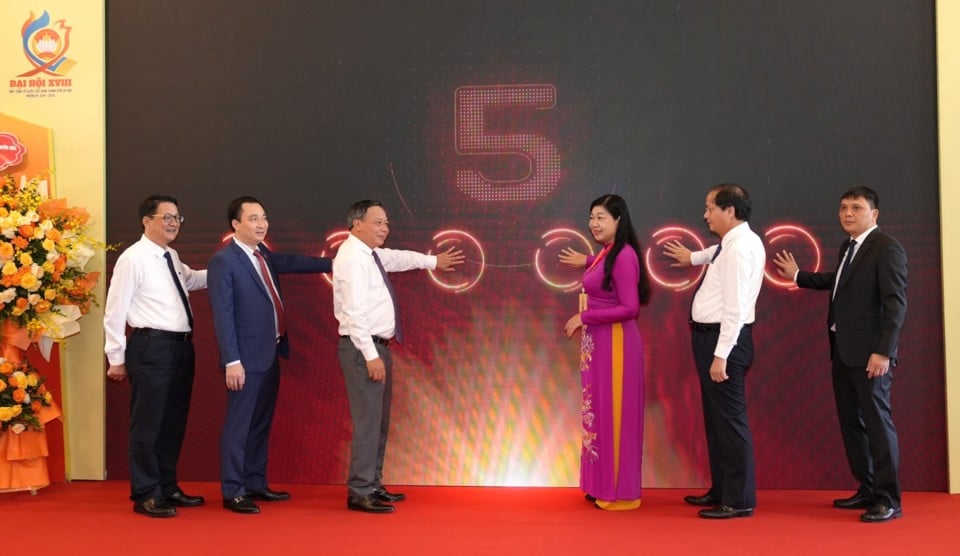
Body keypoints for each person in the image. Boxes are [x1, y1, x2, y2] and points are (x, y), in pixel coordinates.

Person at [773, 186, 907, 523]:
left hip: (871, 357)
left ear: (873, 214)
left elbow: (896, 305)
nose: (848, 213)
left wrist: (883, 352)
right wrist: (800, 277)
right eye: (843, 207)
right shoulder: (850, 246)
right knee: (852, 425)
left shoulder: (887, 248)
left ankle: (888, 499)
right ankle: (868, 488)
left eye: (856, 208)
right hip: (843, 353)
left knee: (877, 425)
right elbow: (841, 282)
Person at [333, 200, 464, 513]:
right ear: (356, 224)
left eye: (386, 223)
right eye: (378, 222)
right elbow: (353, 313)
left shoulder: (371, 255)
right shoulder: (352, 258)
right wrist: (369, 355)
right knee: (368, 422)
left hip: (378, 348)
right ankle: (360, 491)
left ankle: (373, 483)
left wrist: (433, 262)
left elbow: (397, 258)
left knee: (378, 422)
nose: (384, 228)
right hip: (364, 349)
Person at [207, 196, 332, 514]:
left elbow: (291, 262)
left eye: (263, 217)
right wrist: (232, 360)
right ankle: (233, 491)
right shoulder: (225, 260)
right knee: (239, 425)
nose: (261, 224)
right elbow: (223, 315)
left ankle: (255, 483)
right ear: (235, 224)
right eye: (253, 219)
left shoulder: (261, 253)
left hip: (271, 353)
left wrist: (336, 263)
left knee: (260, 423)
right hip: (245, 361)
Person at [663, 183, 765, 519]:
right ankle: (723, 489)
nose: (705, 215)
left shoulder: (738, 248)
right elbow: (713, 254)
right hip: (714, 339)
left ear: (730, 211)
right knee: (717, 421)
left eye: (710, 208)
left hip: (724, 340)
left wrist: (721, 354)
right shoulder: (733, 242)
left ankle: (739, 500)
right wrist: (693, 257)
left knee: (730, 422)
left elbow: (734, 308)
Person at [103, 195, 207, 518]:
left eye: (177, 217)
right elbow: (114, 310)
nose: (174, 223)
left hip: (181, 348)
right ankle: (146, 493)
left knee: (172, 422)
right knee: (148, 423)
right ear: (146, 221)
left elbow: (190, 279)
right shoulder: (133, 259)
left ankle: (166, 485)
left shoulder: (171, 255)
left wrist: (231, 265)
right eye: (167, 217)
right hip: (151, 348)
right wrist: (115, 357)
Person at [558, 194, 651, 511]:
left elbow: (630, 307)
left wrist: (582, 317)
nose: (593, 223)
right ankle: (601, 483)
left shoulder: (623, 255)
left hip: (617, 346)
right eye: (591, 217)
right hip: (600, 346)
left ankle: (619, 492)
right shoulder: (608, 253)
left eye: (601, 217)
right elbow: (604, 275)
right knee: (598, 412)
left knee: (614, 415)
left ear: (618, 220)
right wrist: (585, 261)